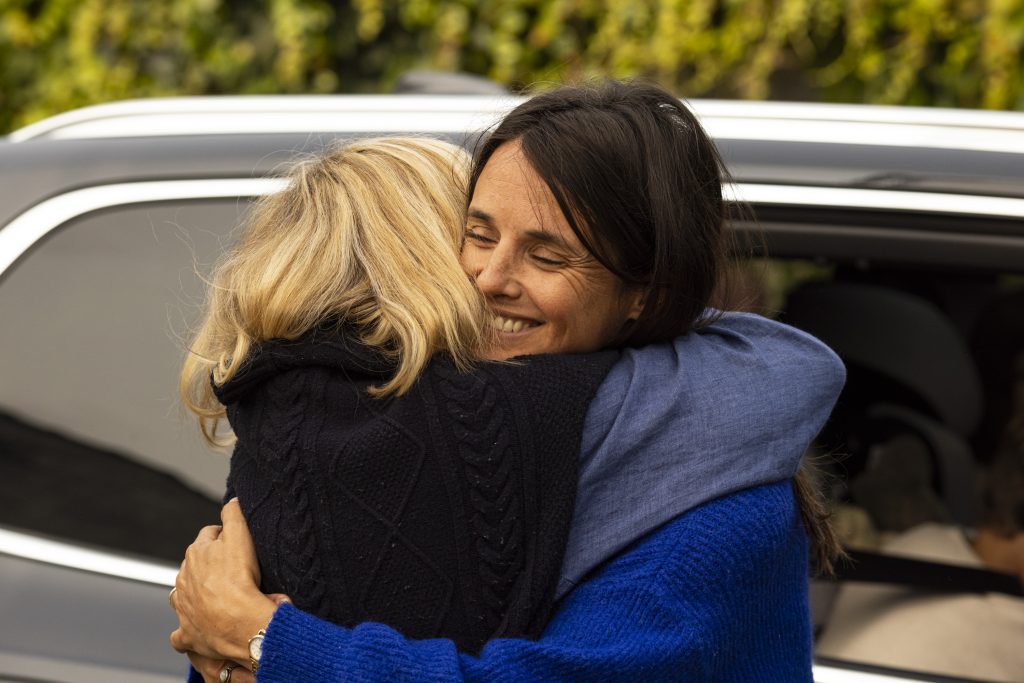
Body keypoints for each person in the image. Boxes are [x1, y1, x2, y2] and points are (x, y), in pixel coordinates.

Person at [171, 81, 846, 682]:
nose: (490, 279)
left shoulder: (714, 496)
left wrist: (266, 641)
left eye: (548, 255)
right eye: (478, 234)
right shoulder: (477, 431)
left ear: (646, 293)